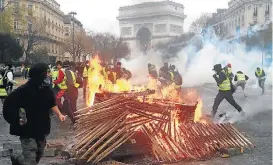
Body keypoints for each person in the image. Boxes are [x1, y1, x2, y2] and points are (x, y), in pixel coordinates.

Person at [3, 63, 65, 165]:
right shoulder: (23, 91)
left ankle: (17, 158)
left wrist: (59, 114)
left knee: (38, 154)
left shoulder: (46, 90)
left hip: (41, 128)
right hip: (27, 130)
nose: (49, 75)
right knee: (31, 159)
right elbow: (8, 105)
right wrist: (15, 120)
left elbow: (51, 103)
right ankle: (22, 159)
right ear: (41, 75)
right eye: (47, 72)